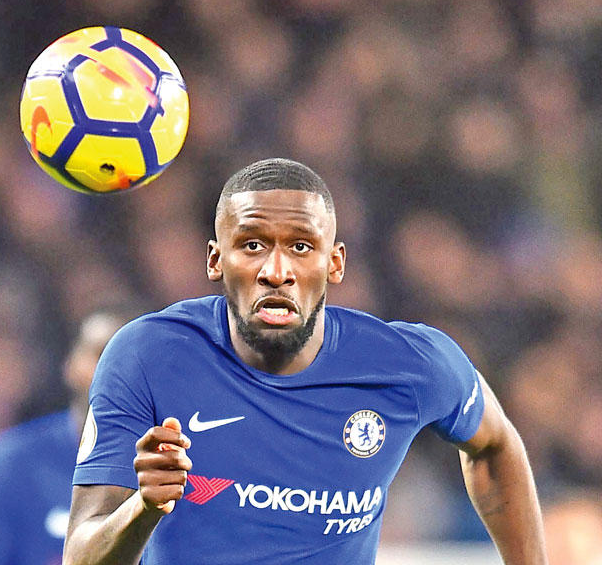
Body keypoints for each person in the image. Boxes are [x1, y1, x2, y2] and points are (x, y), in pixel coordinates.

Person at [63, 158, 548, 565]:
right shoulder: (147, 356)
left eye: (300, 246)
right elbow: (81, 556)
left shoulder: (409, 365)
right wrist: (143, 508)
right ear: (215, 260)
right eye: (252, 245)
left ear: (334, 263)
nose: (277, 271)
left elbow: (496, 444)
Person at [0, 308, 134, 565]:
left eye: (131, 360)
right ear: (72, 365)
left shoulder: (178, 469)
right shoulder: (12, 464)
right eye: (102, 354)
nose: (114, 371)